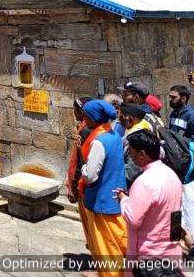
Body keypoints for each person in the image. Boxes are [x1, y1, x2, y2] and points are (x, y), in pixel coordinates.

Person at [115, 130, 182, 265]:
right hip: (170, 250)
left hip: (148, 253)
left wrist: (123, 199)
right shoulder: (172, 175)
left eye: (131, 151)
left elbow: (133, 220)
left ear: (142, 154)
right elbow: (176, 215)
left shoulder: (143, 182)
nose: (130, 155)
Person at [78, 99, 127, 277]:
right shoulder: (113, 135)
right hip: (115, 198)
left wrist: (84, 166)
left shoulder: (98, 142)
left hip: (101, 201)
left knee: (106, 248)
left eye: (86, 115)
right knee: (117, 244)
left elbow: (90, 175)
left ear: (92, 118)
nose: (84, 118)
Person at [169, 83, 194, 242]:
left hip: (187, 165)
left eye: (173, 97)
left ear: (183, 98)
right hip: (175, 163)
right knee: (176, 202)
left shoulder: (191, 115)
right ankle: (178, 235)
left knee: (190, 202)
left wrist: (181, 144)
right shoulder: (173, 113)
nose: (170, 99)